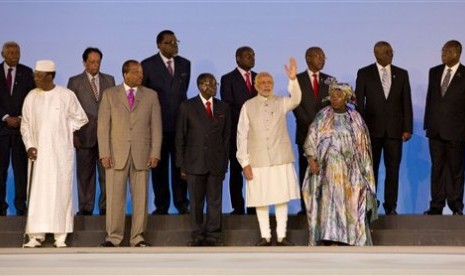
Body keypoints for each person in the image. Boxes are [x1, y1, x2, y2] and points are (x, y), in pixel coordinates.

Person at [21, 60, 88, 248]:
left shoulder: (66, 95)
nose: (35, 78)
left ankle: (61, 236)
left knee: (60, 192)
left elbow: (81, 118)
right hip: (39, 155)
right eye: (35, 74)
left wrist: (65, 131)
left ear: (50, 76)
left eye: (39, 75)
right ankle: (35, 235)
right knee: (37, 193)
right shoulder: (31, 97)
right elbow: (25, 124)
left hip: (60, 154)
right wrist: (30, 145)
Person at [303, 80, 377, 246]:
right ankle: (329, 237)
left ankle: (349, 238)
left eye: (339, 96)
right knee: (329, 202)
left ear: (347, 98)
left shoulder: (355, 118)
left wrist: (366, 172)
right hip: (328, 169)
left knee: (352, 203)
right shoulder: (323, 116)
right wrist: (311, 158)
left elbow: (363, 147)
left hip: (352, 171)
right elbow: (311, 138)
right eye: (333, 96)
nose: (334, 99)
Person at [236, 58, 301, 246]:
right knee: (261, 199)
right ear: (256, 85)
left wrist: (293, 79)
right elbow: (242, 135)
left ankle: (281, 236)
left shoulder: (282, 102)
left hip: (280, 157)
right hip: (257, 160)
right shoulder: (248, 106)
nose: (266, 85)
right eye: (263, 83)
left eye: (270, 83)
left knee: (281, 199)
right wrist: (244, 162)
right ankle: (265, 236)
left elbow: (296, 99)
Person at [98, 60, 162, 247]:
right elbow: (103, 127)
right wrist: (104, 153)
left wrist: (155, 153)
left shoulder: (151, 96)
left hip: (142, 154)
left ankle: (138, 237)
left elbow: (156, 127)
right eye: (135, 72)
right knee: (114, 198)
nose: (140, 75)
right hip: (116, 155)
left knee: (141, 199)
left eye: (141, 72)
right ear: (125, 74)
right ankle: (113, 237)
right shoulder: (110, 94)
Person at [355, 41, 413, 215]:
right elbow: (359, 103)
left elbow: (406, 102)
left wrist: (407, 127)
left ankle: (391, 206)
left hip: (395, 132)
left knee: (393, 170)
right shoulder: (364, 73)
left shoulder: (402, 74)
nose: (391, 54)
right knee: (370, 170)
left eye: (391, 51)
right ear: (376, 53)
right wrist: (361, 129)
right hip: (371, 132)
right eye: (387, 51)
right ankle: (370, 205)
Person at [176, 73, 231, 246]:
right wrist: (181, 165)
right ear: (200, 85)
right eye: (210, 84)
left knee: (215, 202)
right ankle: (198, 236)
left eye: (216, 83)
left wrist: (224, 163)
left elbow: (226, 138)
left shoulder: (223, 107)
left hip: (216, 163)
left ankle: (214, 236)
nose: (214, 87)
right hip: (194, 163)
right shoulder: (187, 106)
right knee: (196, 202)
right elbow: (180, 137)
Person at [142, 30, 191, 215]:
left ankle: (181, 204)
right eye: (169, 42)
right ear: (159, 45)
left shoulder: (185, 64)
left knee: (181, 166)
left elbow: (181, 93)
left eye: (175, 41)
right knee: (159, 168)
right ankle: (161, 206)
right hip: (157, 126)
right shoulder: (147, 65)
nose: (174, 45)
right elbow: (144, 96)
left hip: (180, 125)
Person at [67, 47, 115, 216]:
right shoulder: (74, 82)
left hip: (106, 137)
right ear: (84, 62)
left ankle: (106, 208)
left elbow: (114, 109)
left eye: (98, 62)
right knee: (85, 175)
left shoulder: (109, 80)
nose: (96, 65)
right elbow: (69, 110)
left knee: (106, 175)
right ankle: (86, 208)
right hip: (83, 136)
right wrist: (73, 134)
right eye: (92, 61)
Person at [424, 40, 465, 216]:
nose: (443, 54)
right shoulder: (434, 72)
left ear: (457, 53)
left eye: (447, 51)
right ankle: (436, 205)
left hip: (457, 131)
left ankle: (456, 206)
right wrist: (427, 124)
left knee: (455, 170)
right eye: (442, 51)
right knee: (437, 168)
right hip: (435, 130)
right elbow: (430, 99)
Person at [292, 47, 333, 215]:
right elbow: (295, 105)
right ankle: (305, 207)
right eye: (318, 56)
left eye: (324, 57)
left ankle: (324, 206)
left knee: (325, 171)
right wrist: (310, 125)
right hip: (305, 132)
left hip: (325, 135)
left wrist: (321, 126)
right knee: (305, 171)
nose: (322, 59)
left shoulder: (330, 80)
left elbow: (333, 105)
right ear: (308, 58)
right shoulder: (297, 79)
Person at [220, 46, 257, 215]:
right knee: (236, 171)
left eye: (253, 55)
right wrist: (246, 120)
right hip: (237, 132)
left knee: (255, 173)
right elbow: (228, 105)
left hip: (257, 136)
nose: (251, 58)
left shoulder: (259, 79)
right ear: (238, 59)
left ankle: (254, 206)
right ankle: (237, 206)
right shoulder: (227, 79)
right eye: (247, 55)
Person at [0, 41, 35, 216]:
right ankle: (1, 208)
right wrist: (6, 117)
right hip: (1, 130)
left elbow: (32, 99)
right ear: (3, 54)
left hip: (22, 130)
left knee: (21, 171)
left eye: (17, 52)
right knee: (1, 171)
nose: (15, 55)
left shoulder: (28, 73)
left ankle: (21, 207)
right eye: (11, 52)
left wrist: (20, 118)